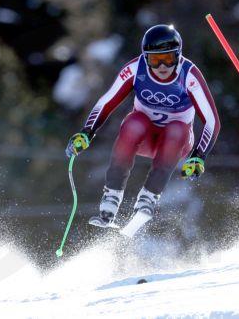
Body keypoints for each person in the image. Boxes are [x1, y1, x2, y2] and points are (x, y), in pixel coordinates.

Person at [65, 24, 220, 234]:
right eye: (156, 60)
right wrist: (87, 132)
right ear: (146, 58)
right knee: (134, 122)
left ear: (179, 56)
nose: (163, 66)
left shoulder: (189, 75)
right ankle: (112, 195)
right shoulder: (136, 69)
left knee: (176, 128)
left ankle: (149, 197)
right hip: (145, 139)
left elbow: (211, 120)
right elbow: (107, 101)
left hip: (176, 143)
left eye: (169, 58)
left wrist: (198, 155)